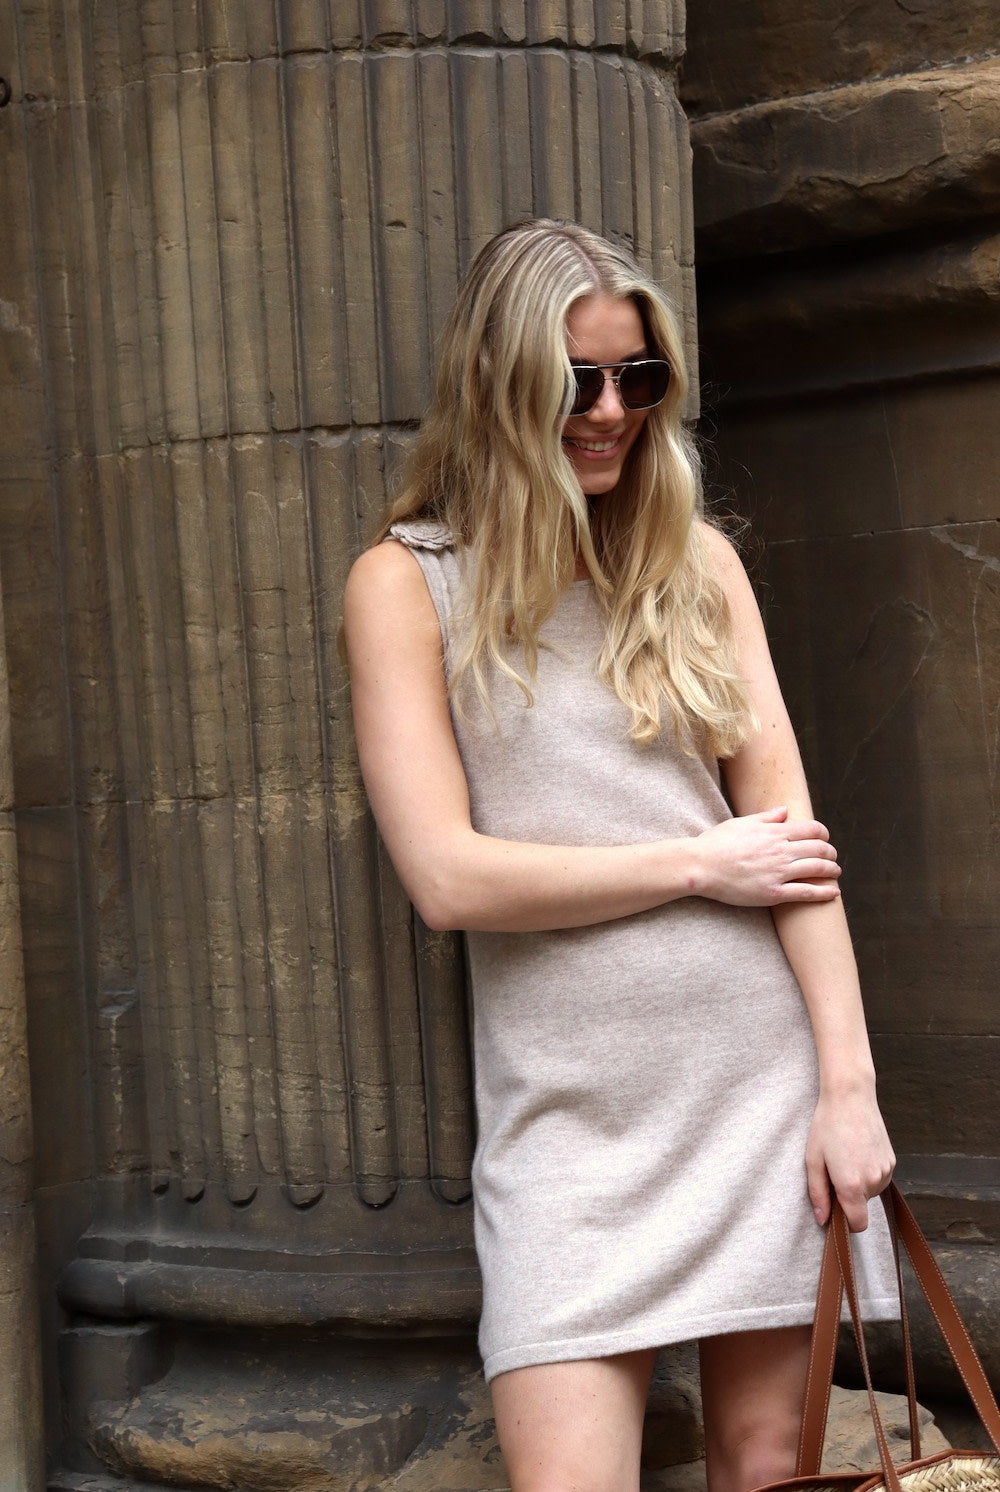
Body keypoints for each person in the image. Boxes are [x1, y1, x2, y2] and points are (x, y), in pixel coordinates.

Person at [343, 219, 897, 1492]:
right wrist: (696, 865)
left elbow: (795, 852)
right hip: (567, 1123)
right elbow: (448, 879)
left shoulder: (696, 564)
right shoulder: (406, 584)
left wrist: (848, 1090)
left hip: (759, 1089)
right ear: (498, 383)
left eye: (637, 378)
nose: (609, 412)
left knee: (770, 1464)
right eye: (575, 382)